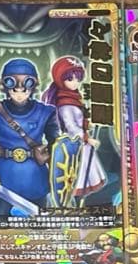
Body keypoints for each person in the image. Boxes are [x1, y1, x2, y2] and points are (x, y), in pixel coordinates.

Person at [0, 58, 59, 226]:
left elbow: (57, 146)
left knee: (41, 225)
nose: (19, 91)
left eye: (26, 85)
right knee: (0, 223)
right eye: (13, 85)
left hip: (35, 175)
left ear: (33, 85)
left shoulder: (46, 112)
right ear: (5, 85)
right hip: (4, 177)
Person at [41, 55, 106, 204]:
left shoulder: (73, 97)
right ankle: (74, 201)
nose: (75, 83)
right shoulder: (65, 102)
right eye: (70, 79)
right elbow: (71, 127)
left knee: (85, 175)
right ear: (60, 79)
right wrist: (87, 138)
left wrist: (87, 125)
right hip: (74, 146)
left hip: (80, 144)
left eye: (78, 79)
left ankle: (79, 201)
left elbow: (78, 121)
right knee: (77, 176)